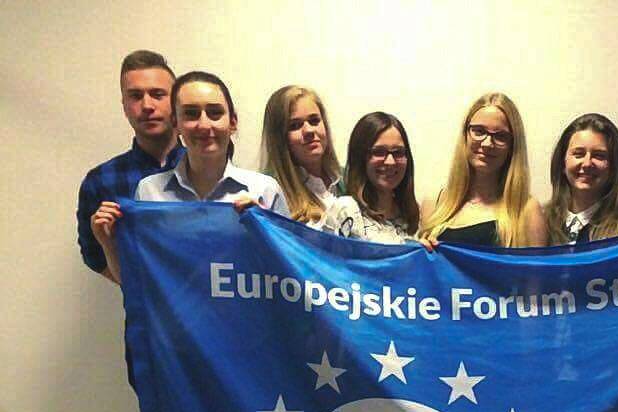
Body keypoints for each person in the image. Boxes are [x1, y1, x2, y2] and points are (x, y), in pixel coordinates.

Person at [91, 71, 289, 285]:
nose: (204, 125)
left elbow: (289, 277)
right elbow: (139, 282)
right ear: (175, 123)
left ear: (232, 122)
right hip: (174, 309)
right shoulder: (149, 191)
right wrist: (107, 242)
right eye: (191, 114)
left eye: (215, 113)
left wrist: (266, 228)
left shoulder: (264, 190)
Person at [77, 50, 185, 284]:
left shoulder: (207, 169)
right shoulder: (101, 181)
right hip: (144, 307)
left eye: (157, 94)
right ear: (124, 106)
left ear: (176, 102)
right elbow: (93, 255)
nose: (147, 105)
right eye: (135, 96)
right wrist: (141, 287)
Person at [419, 92, 548, 249]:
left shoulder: (527, 210)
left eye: (500, 136)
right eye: (479, 131)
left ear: (512, 146)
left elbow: (535, 266)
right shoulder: (434, 204)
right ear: (465, 135)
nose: (487, 144)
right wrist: (422, 253)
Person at [545, 113, 618, 245]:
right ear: (562, 163)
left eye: (599, 156)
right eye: (578, 154)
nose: (587, 163)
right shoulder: (541, 224)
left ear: (614, 167)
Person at [321, 112, 418, 244]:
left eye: (398, 152)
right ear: (360, 157)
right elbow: (325, 256)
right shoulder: (345, 210)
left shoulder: (413, 215)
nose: (390, 161)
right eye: (379, 152)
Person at [261, 85, 342, 227]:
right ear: (279, 138)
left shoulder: (347, 179)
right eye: (295, 125)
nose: (309, 130)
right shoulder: (269, 192)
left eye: (314, 121)